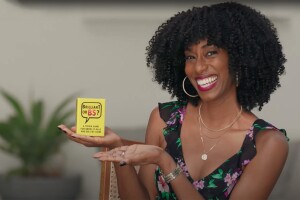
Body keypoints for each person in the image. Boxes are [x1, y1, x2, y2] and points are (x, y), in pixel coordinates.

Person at [58, 2, 289, 199]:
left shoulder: (267, 144)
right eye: (190, 57)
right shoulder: (164, 120)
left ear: (240, 59)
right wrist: (117, 146)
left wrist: (166, 162)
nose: (198, 67)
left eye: (210, 53)